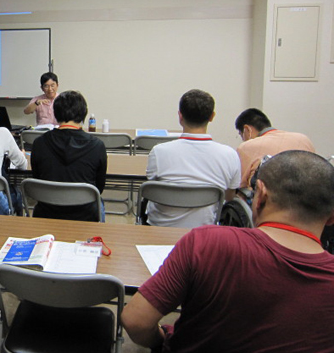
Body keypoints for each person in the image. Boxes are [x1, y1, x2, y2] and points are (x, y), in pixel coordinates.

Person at [122, 150, 334, 352]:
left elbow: (136, 321)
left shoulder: (208, 243)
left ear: (260, 196)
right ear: (332, 217)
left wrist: (162, 342)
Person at [145, 89, 240, 228]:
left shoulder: (159, 152)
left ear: (180, 116)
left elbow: (152, 190)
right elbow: (230, 197)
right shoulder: (230, 154)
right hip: (206, 231)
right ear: (212, 116)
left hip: (159, 229)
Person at [31, 90, 107, 222]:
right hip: (86, 214)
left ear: (56, 113)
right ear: (83, 113)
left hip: (47, 212)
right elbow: (98, 188)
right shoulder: (97, 146)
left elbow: (37, 178)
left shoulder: (39, 143)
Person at [235, 108, 315, 189]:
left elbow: (239, 186)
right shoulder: (303, 139)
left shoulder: (246, 146)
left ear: (247, 130)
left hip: (271, 198)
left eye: (241, 135)